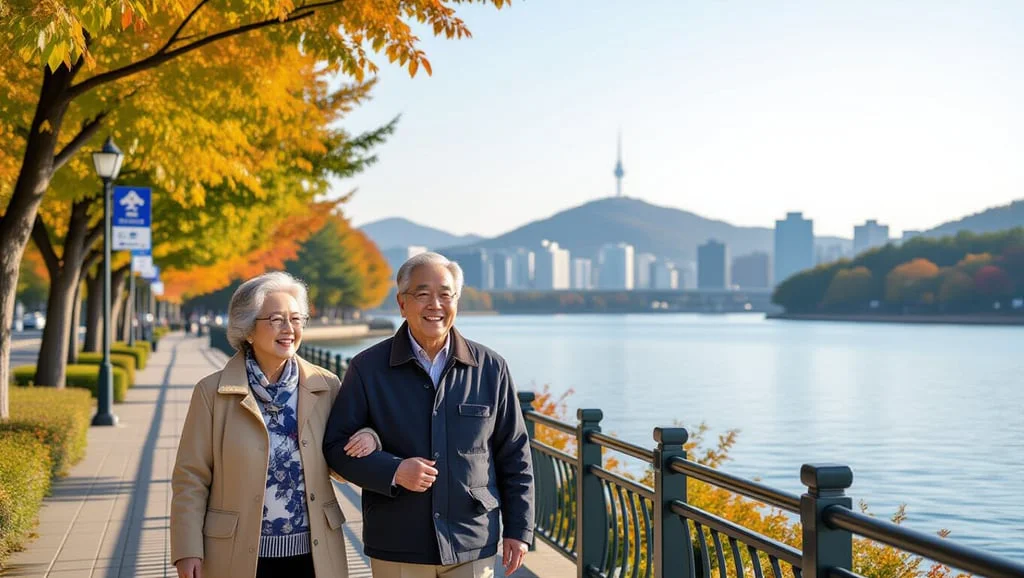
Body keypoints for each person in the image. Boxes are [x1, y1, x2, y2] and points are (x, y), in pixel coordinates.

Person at [323, 252, 535, 578]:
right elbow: (336, 449)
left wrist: (519, 530)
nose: (435, 304)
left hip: (472, 542)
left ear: (456, 302)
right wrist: (394, 471)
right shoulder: (367, 368)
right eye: (422, 294)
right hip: (397, 542)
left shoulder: (491, 368)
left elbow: (515, 454)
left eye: (445, 295)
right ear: (401, 303)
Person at [171, 271, 380, 578]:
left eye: (296, 319)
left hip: (314, 552)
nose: (289, 329)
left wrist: (369, 436)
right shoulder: (211, 392)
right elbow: (191, 477)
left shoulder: (326, 385)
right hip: (237, 552)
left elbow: (341, 454)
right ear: (248, 329)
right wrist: (187, 549)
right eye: (276, 319)